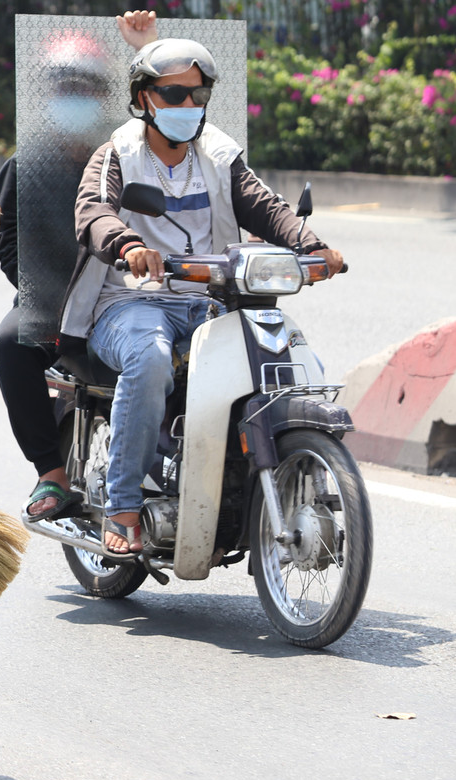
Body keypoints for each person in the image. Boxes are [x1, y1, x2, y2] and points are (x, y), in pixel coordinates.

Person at [58, 37, 344, 555]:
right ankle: (122, 508)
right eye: (173, 94)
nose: (188, 106)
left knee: (292, 358)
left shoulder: (218, 153)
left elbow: (265, 206)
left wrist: (312, 246)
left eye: (198, 94)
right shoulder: (117, 153)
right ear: (144, 97)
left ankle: (300, 480)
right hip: (129, 303)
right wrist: (128, 243)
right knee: (149, 360)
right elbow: (93, 212)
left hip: (210, 301)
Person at [0, 11, 159, 521]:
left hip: (129, 292)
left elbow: (183, 123)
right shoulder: (26, 165)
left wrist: (145, 48)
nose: (77, 96)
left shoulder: (130, 152)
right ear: (46, 97)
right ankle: (51, 473)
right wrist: (46, 293)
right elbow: (8, 243)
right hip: (52, 300)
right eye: (66, 87)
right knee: (9, 345)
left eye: (87, 87)